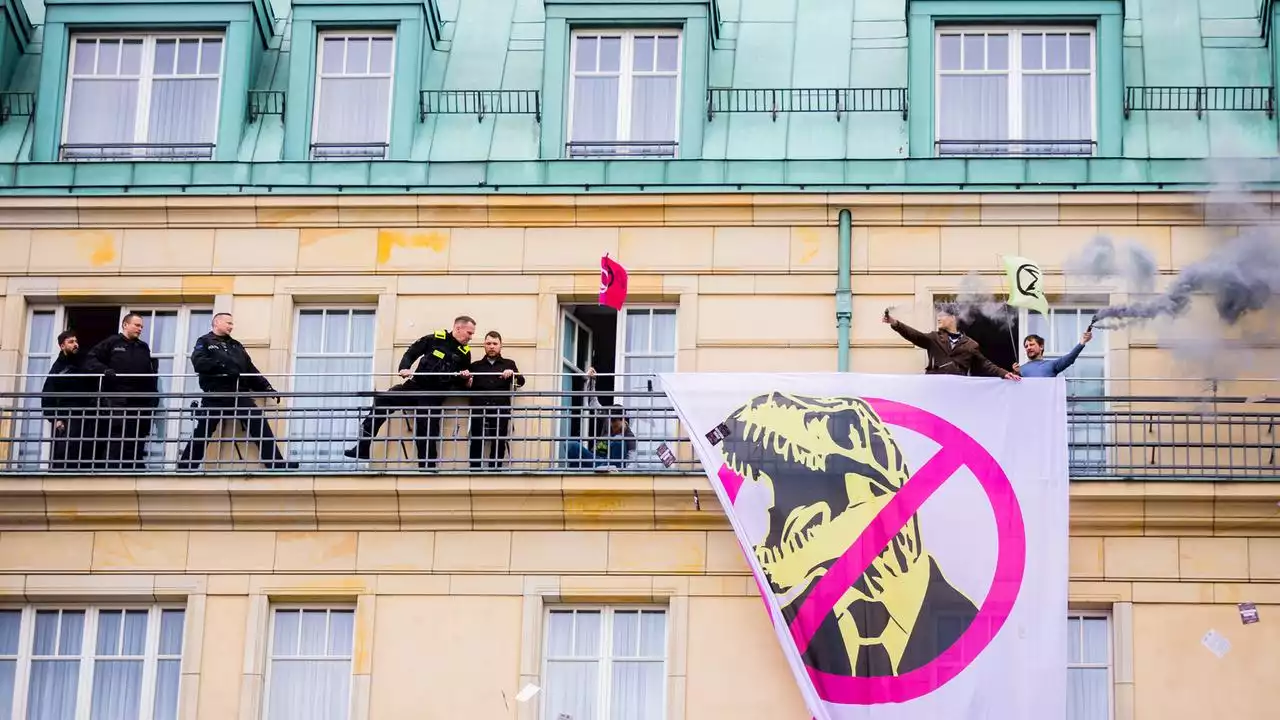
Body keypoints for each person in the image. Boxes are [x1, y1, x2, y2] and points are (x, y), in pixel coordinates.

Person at [344, 315, 475, 469]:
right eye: (469, 333)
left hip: (433, 394)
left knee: (426, 428)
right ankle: (363, 447)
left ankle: (427, 467)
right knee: (383, 400)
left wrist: (466, 380)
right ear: (458, 328)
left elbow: (459, 382)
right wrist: (404, 368)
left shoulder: (464, 353)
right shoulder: (434, 339)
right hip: (414, 386)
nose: (471, 337)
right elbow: (412, 352)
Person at [178, 313, 298, 471]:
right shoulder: (205, 341)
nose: (231, 326)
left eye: (232, 323)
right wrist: (223, 367)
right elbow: (199, 362)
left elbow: (250, 370)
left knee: (258, 422)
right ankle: (186, 465)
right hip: (216, 393)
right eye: (228, 323)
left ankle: (276, 464)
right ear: (217, 322)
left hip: (238, 393)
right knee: (204, 429)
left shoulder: (236, 345)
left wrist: (266, 388)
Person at [83, 313, 160, 470]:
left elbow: (150, 373)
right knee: (117, 434)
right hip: (117, 398)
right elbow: (90, 360)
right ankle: (111, 469)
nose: (140, 329)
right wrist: (105, 371)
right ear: (125, 325)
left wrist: (153, 396)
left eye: (141, 327)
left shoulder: (143, 347)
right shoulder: (112, 342)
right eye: (137, 325)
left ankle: (135, 468)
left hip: (140, 399)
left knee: (138, 434)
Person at [883, 305, 1020, 381]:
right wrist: (895, 323)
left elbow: (986, 365)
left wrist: (1004, 373)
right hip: (934, 390)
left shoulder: (970, 344)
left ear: (953, 318)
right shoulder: (934, 338)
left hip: (958, 393)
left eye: (942, 315)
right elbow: (914, 336)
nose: (938, 318)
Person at [40, 330, 100, 470]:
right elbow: (48, 394)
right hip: (67, 415)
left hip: (87, 413)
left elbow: (94, 386)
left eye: (76, 341)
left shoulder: (85, 363)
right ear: (62, 346)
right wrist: (55, 418)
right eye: (71, 342)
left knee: (87, 448)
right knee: (66, 449)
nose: (75, 344)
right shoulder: (58, 368)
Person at [466, 331, 525, 469]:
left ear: (500, 345)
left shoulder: (509, 363)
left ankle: (495, 468)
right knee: (476, 438)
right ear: (484, 346)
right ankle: (474, 469)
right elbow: (464, 385)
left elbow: (521, 382)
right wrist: (465, 379)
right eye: (488, 343)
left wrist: (512, 375)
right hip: (479, 406)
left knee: (499, 438)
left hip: (500, 406)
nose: (491, 346)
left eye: (494, 343)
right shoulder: (475, 366)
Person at [563, 367, 636, 470]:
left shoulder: (629, 436)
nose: (612, 423)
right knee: (570, 445)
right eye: (611, 420)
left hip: (613, 465)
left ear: (623, 419)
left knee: (618, 440)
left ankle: (604, 469)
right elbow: (593, 403)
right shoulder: (608, 420)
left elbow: (632, 462)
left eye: (615, 421)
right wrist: (592, 381)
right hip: (596, 460)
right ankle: (593, 469)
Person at [1014, 331, 1093, 377]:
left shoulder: (1051, 364)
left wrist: (1083, 341)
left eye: (1031, 344)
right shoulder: (1021, 369)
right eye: (1026, 346)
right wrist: (1016, 373)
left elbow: (1070, 358)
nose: (1028, 348)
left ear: (1041, 347)